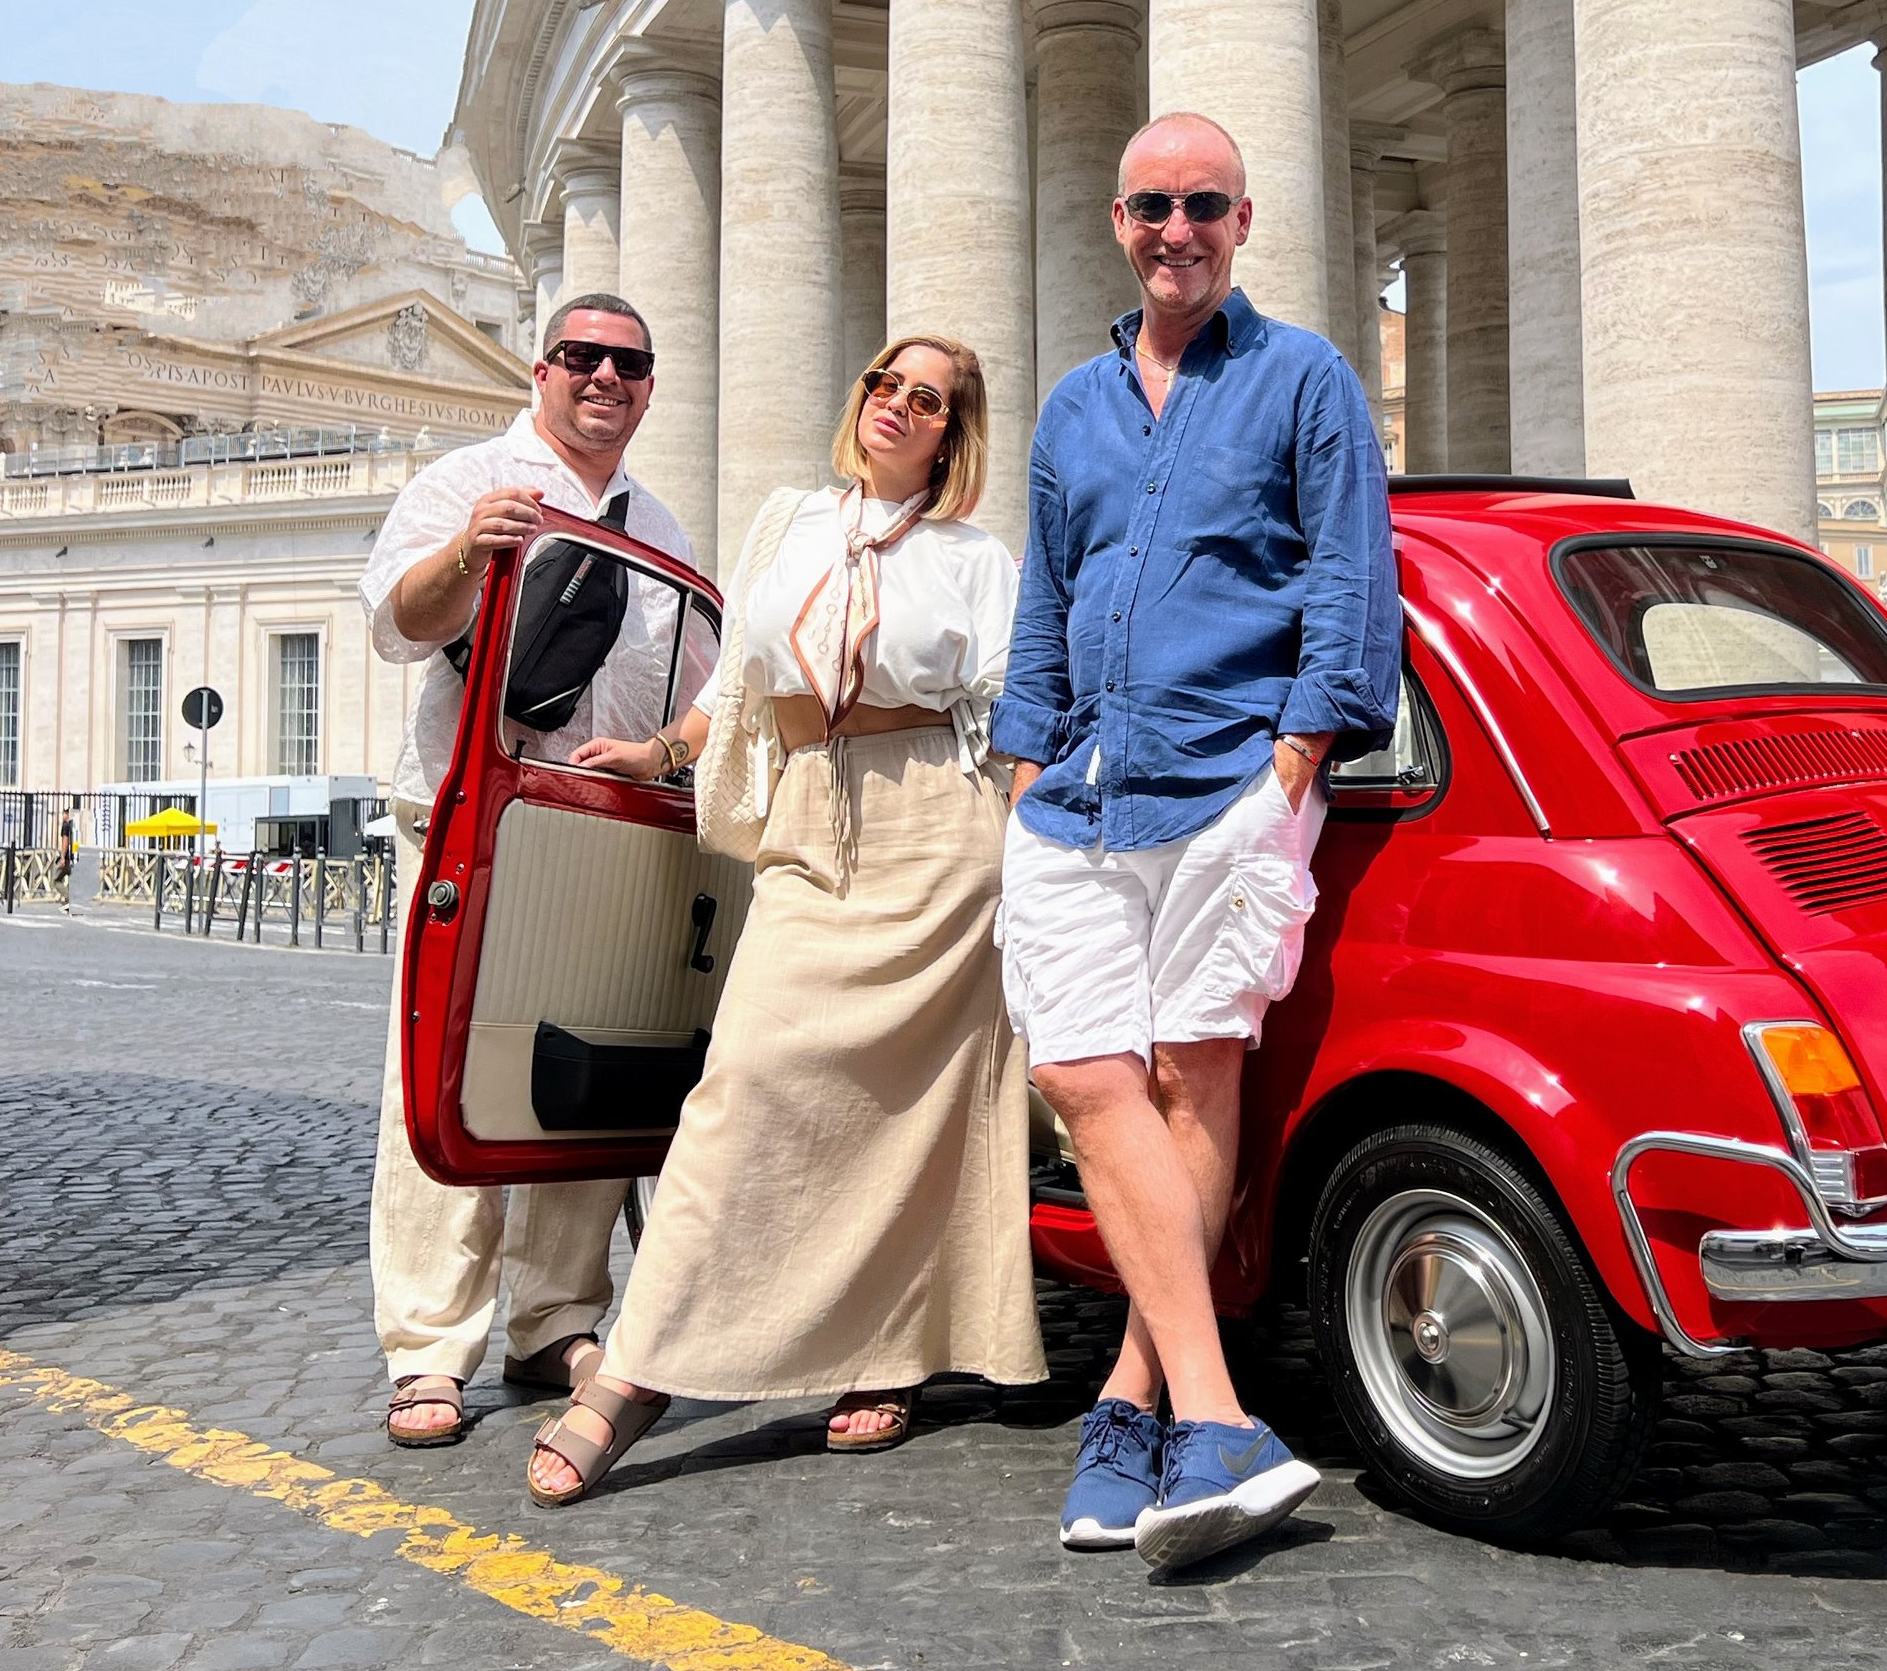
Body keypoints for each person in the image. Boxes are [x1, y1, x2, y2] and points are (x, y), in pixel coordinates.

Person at [524, 333, 1045, 1504]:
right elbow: (737, 687)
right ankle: (639, 1373)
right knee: (742, 1085)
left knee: (910, 1118)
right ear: (857, 398)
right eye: (882, 385)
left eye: (927, 399)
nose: (897, 408)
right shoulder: (787, 524)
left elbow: (1017, 706)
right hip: (812, 828)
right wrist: (659, 749)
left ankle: (892, 1354)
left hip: (941, 838)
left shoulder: (976, 557)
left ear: (952, 434)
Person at [994, 114, 1402, 1571]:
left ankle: (1131, 1403)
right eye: (1157, 204)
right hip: (1075, 798)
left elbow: (1353, 580)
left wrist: (1293, 761)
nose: (1181, 229)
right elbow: (1047, 593)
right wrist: (1020, 755)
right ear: (1120, 218)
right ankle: (1219, 1417)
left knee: (1189, 1076)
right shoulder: (1068, 409)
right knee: (1088, 1078)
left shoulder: (1305, 379)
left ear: (1244, 221)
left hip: (1230, 781)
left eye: (1207, 205)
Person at [359, 293, 708, 1447]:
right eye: (581, 358)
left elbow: (706, 689)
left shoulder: (660, 523)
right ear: (541, 369)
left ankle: (556, 1316)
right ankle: (429, 1346)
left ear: (650, 386)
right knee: (441, 1073)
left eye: (628, 364)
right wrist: (469, 551)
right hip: (473, 820)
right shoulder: (467, 481)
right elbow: (397, 624)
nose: (604, 378)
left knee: (576, 1076)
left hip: (603, 829)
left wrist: (665, 754)